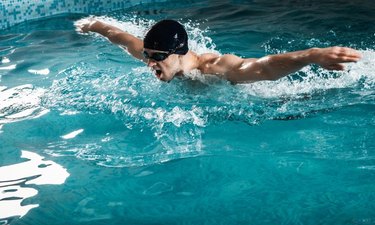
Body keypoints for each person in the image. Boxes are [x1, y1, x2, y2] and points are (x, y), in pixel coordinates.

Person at [75, 18, 362, 83]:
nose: (149, 63)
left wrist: (312, 55)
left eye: (157, 57)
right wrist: (90, 24)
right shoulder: (152, 54)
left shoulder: (212, 68)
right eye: (148, 55)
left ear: (179, 52)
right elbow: (118, 35)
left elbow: (263, 68)